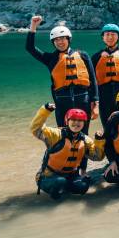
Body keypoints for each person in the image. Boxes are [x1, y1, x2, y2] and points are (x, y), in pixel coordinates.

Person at [26, 15, 99, 175]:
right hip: (62, 103)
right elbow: (30, 49)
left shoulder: (83, 55)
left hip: (83, 100)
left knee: (83, 136)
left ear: (69, 39)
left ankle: (83, 170)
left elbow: (93, 80)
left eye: (63, 39)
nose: (60, 42)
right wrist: (33, 26)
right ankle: (62, 169)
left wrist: (95, 103)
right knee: (62, 136)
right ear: (53, 43)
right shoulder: (51, 58)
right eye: (56, 40)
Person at [30, 104, 105, 199]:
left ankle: (65, 188)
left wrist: (99, 140)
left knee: (83, 187)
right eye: (73, 120)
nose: (76, 123)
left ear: (84, 123)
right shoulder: (56, 135)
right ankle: (55, 195)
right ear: (67, 121)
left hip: (69, 176)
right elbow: (35, 129)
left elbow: (97, 157)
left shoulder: (85, 140)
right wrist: (45, 110)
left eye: (80, 121)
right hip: (48, 176)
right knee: (59, 182)